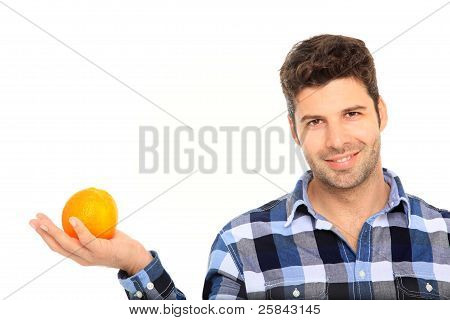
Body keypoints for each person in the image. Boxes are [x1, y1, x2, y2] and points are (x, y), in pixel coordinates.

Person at [29, 34, 450, 300]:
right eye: (316, 121)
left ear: (381, 112)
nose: (337, 140)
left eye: (352, 114)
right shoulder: (242, 245)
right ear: (293, 130)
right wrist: (137, 264)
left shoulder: (445, 238)